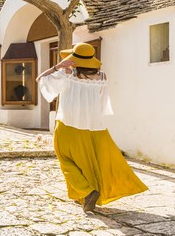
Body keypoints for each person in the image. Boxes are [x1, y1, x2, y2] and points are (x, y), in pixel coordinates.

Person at [37, 42, 147, 213]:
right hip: (94, 127)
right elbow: (102, 102)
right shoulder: (102, 77)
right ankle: (81, 195)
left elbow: (41, 79)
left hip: (67, 125)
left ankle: (87, 192)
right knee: (87, 161)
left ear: (74, 60)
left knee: (66, 161)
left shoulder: (67, 74)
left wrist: (57, 66)